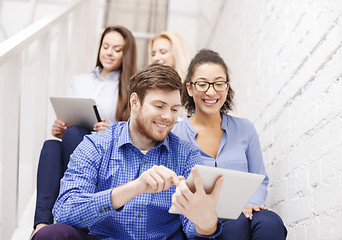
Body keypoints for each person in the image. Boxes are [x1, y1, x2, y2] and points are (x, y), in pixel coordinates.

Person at [32, 64, 224, 240]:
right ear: (135, 102)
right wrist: (135, 188)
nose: (168, 117)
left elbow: (192, 228)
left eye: (174, 109)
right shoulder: (96, 145)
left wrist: (206, 223)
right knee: (51, 234)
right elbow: (65, 210)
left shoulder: (187, 154)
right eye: (159, 106)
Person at [32, 25, 137, 237]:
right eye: (106, 46)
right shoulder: (79, 81)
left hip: (106, 158)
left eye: (117, 49)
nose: (109, 52)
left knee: (72, 135)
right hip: (74, 147)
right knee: (52, 145)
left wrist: (111, 130)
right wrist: (59, 127)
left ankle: (77, 204)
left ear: (126, 54)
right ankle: (40, 224)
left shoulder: (130, 88)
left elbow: (133, 131)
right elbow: (68, 120)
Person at [172, 49, 288, 240]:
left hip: (246, 209)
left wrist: (252, 203)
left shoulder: (245, 129)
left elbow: (260, 178)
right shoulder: (176, 134)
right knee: (235, 225)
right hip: (201, 220)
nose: (211, 91)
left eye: (218, 83)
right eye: (202, 84)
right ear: (190, 89)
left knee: (270, 222)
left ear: (227, 88)